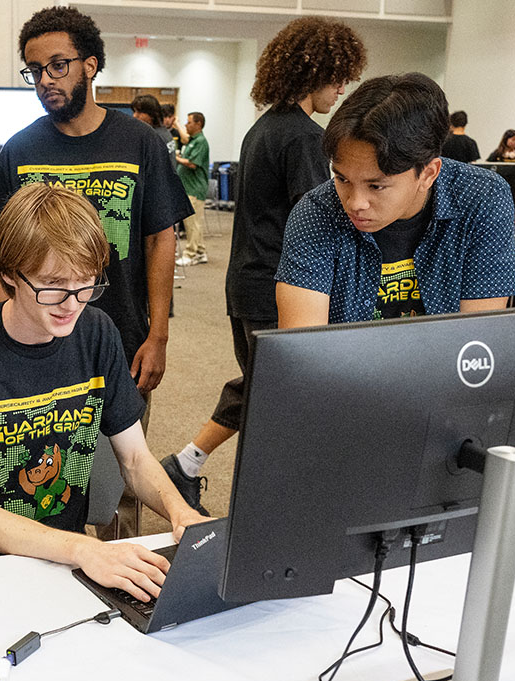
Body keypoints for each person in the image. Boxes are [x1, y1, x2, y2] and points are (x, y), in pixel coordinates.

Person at [0, 182, 208, 600]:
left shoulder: (96, 332)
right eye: (52, 285)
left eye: (85, 284)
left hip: (56, 560)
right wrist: (85, 548)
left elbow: (136, 459)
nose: (72, 304)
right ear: (9, 273)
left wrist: (180, 512)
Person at [159, 17, 366, 507]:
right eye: (338, 78)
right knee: (281, 396)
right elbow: (318, 217)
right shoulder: (303, 137)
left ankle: (186, 464)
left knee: (262, 384)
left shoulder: (263, 128)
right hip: (279, 286)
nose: (341, 90)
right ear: (314, 71)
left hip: (247, 281)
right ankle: (258, 498)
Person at [0, 6, 189, 399]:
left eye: (58, 66)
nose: (44, 80)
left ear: (90, 66)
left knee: (124, 437)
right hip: (37, 341)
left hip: (123, 338)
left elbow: (160, 238)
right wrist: (5, 334)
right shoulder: (19, 149)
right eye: (35, 70)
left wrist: (158, 335)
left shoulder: (139, 143)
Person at [276, 73, 515, 326]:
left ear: (428, 174)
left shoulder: (482, 198)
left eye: (376, 186)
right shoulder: (316, 213)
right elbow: (304, 344)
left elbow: (477, 337)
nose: (355, 203)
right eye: (342, 179)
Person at [176, 112, 209, 266]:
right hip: (188, 187)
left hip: (195, 188)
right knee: (195, 223)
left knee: (192, 224)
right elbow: (184, 138)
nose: (186, 125)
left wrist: (175, 157)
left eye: (189, 122)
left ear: (198, 124)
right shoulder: (193, 141)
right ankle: (201, 252)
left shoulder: (201, 142)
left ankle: (191, 253)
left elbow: (192, 164)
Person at [131, 93, 176, 164]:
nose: (134, 115)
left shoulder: (155, 137)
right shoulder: (164, 132)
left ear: (151, 115)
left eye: (139, 112)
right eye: (134, 111)